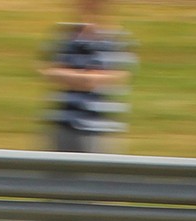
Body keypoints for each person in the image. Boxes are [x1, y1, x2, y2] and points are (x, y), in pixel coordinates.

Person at [40, 0, 137, 154]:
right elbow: (48, 71)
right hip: (62, 127)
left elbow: (116, 76)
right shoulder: (66, 36)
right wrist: (86, 77)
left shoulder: (116, 39)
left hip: (98, 130)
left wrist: (70, 76)